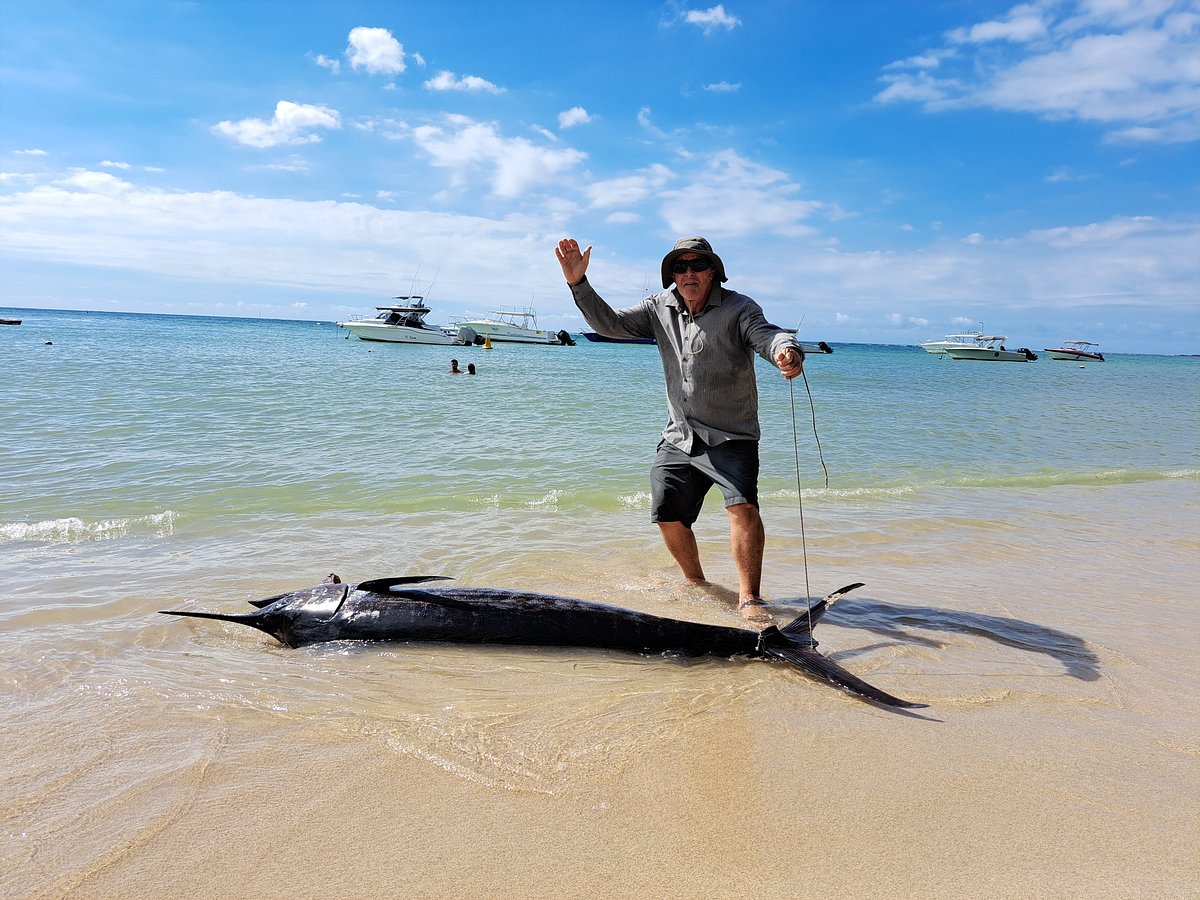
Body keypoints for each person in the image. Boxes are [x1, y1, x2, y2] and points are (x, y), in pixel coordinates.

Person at [555, 235, 804, 618]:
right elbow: (610, 325)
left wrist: (787, 353)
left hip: (730, 434)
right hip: (680, 434)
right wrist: (578, 284)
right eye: (679, 267)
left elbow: (767, 335)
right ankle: (696, 581)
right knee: (666, 513)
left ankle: (749, 597)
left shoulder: (739, 308)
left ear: (713, 272)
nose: (688, 273)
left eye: (697, 265)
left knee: (743, 508)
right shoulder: (659, 307)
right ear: (671, 275)